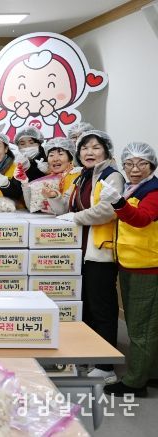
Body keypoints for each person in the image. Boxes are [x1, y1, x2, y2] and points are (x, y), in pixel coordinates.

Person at [46, 130, 124, 384]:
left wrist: (75, 217)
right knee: (87, 306)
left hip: (100, 251)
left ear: (106, 151)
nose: (89, 152)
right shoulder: (82, 176)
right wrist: (55, 199)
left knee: (102, 308)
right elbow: (67, 208)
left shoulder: (112, 176)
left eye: (96, 147)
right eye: (85, 148)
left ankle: (106, 365)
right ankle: (90, 354)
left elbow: (107, 210)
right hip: (78, 251)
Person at [101, 142, 158, 398]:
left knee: (140, 328)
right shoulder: (132, 187)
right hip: (131, 263)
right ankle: (151, 373)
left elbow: (142, 219)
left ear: (152, 165)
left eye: (142, 163)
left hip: (148, 267)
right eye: (129, 164)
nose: (135, 169)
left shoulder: (153, 191)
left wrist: (118, 202)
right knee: (145, 324)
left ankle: (135, 383)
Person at [20, 137, 80, 212]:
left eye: (60, 154)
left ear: (71, 158)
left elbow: (66, 209)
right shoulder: (46, 181)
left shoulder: (77, 175)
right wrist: (24, 183)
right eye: (51, 155)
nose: (55, 159)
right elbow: (32, 207)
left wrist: (53, 196)